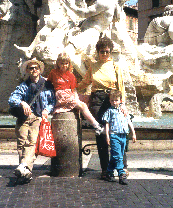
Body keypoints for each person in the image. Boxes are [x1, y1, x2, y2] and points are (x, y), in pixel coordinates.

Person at [77, 36, 127, 179]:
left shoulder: (115, 66)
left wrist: (122, 104)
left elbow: (121, 87)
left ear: (110, 52)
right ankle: (105, 169)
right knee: (101, 135)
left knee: (118, 132)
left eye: (107, 51)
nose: (104, 54)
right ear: (98, 52)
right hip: (97, 101)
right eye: (102, 52)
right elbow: (85, 82)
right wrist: (71, 87)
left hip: (113, 100)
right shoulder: (93, 66)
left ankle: (121, 167)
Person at [8, 58, 55, 183]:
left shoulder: (47, 84)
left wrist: (47, 110)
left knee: (32, 142)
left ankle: (24, 167)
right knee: (21, 143)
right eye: (31, 68)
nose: (34, 70)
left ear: (39, 70)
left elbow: (52, 101)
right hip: (23, 117)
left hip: (37, 117)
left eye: (36, 68)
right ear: (28, 70)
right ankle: (25, 172)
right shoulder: (24, 85)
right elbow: (12, 99)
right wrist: (22, 102)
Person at [47, 52, 103, 135]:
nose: (64, 65)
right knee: (82, 105)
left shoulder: (71, 75)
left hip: (69, 95)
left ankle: (96, 125)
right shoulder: (53, 73)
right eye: (62, 63)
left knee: (83, 105)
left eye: (66, 63)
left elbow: (73, 90)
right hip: (60, 95)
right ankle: (96, 125)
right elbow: (48, 83)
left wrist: (76, 99)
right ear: (58, 63)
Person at [102, 90, 136, 185]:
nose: (114, 102)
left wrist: (133, 133)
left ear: (120, 100)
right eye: (112, 100)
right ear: (109, 101)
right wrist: (107, 136)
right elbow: (107, 124)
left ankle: (109, 173)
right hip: (114, 135)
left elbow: (129, 121)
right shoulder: (109, 111)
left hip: (123, 135)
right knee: (118, 156)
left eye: (116, 100)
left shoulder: (123, 110)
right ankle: (121, 174)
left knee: (116, 155)